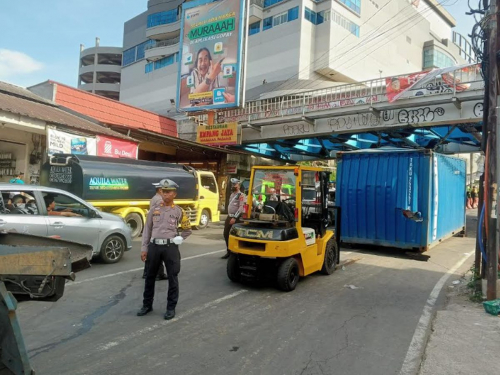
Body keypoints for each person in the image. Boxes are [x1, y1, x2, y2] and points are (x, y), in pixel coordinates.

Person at [137, 179, 192, 320]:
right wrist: (144, 248)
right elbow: (147, 230)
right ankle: (147, 305)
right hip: (154, 246)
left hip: (170, 247)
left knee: (173, 277)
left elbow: (187, 229)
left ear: (174, 193)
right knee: (150, 277)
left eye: (168, 192)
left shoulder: (179, 211)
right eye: (163, 191)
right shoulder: (154, 210)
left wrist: (180, 238)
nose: (165, 194)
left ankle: (170, 308)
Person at [142, 184, 168, 280]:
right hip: (157, 227)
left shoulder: (154, 198)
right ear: (160, 190)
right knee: (158, 253)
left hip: (153, 226)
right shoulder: (159, 200)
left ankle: (147, 272)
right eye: (164, 190)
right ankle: (158, 274)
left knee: (151, 251)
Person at [221, 178, 246, 259]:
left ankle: (235, 253)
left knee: (235, 236)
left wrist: (235, 218)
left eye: (234, 185)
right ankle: (229, 251)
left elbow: (241, 208)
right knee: (226, 234)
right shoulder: (232, 195)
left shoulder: (241, 195)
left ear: (238, 186)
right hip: (229, 216)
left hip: (236, 218)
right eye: (232, 185)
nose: (233, 186)